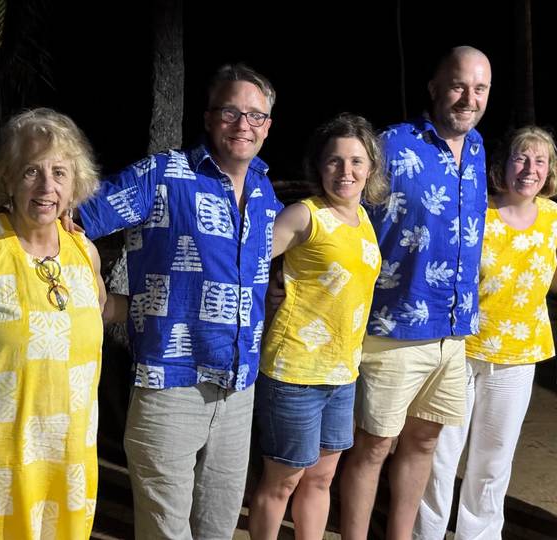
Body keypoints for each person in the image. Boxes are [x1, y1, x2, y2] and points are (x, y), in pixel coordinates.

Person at [76, 63, 282, 539]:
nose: (243, 125)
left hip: (238, 389)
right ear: (210, 117)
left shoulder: (264, 190)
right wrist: (103, 298)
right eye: (231, 112)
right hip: (171, 385)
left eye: (255, 116)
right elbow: (77, 219)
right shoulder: (165, 174)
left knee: (218, 529)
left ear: (268, 127)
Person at [338, 45, 492, 540]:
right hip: (394, 325)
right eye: (458, 85)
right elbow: (346, 212)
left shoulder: (479, 147)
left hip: (453, 330)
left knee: (424, 443)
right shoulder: (392, 145)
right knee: (373, 447)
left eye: (480, 88)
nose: (468, 98)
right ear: (434, 87)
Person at [0, 108, 106, 539]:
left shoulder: (85, 254)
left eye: (59, 172)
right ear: (8, 181)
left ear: (75, 185)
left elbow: (95, 322)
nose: (46, 185)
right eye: (31, 171)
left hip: (66, 472)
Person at [248, 113, 389, 539]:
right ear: (319, 166)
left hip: (343, 373)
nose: (345, 172)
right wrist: (270, 293)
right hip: (294, 372)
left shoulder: (364, 219)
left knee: (321, 479)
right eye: (334, 161)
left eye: (356, 162)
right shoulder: (303, 216)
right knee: (282, 482)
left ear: (370, 169)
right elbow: (246, 264)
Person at [414, 126, 557, 539]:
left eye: (540, 161)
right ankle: (427, 532)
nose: (530, 170)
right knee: (441, 455)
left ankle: (477, 535)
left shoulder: (551, 219)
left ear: (549, 172)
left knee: (493, 460)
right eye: (521, 158)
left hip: (518, 356)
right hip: (461, 349)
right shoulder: (478, 213)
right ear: (502, 165)